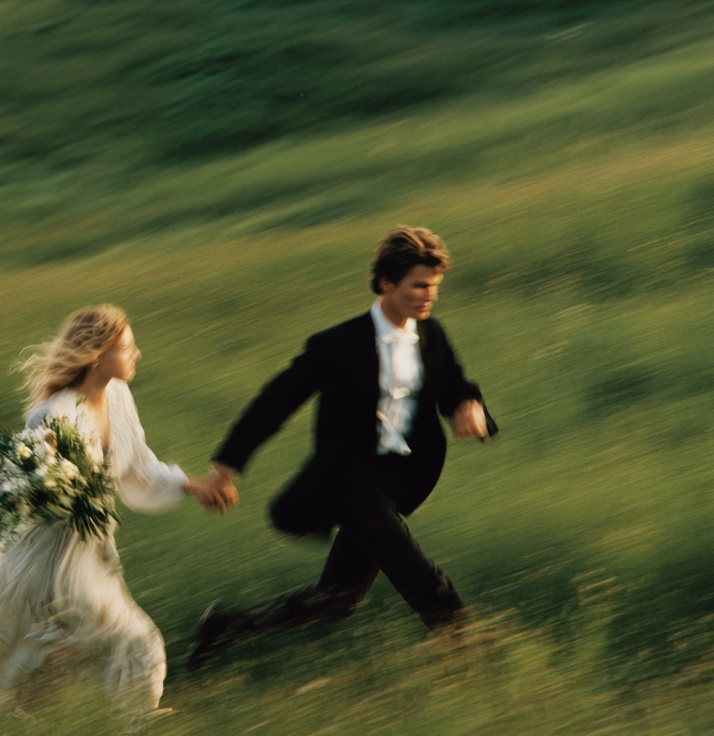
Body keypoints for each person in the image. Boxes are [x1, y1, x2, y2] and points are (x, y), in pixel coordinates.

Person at [0, 305, 222, 736]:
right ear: (97, 355)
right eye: (128, 347)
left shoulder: (117, 396)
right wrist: (40, 490)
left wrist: (194, 486)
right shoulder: (54, 414)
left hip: (92, 552)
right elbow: (36, 490)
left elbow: (139, 469)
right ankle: (140, 733)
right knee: (134, 640)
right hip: (54, 557)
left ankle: (39, 723)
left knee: (53, 650)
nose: (138, 354)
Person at [188, 226, 497, 669]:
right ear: (387, 284)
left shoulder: (431, 334)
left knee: (340, 598)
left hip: (403, 478)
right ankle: (471, 648)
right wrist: (226, 468)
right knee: (409, 563)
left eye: (434, 287)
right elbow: (275, 402)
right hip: (349, 477)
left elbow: (454, 383)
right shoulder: (337, 345)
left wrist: (468, 406)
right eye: (419, 286)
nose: (428, 296)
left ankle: (226, 626)